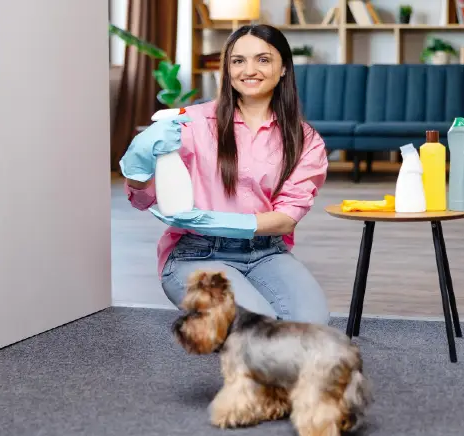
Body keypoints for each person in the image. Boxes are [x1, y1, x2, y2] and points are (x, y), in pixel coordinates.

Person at [119, 24, 330, 325]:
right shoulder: (192, 124)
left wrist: (226, 222)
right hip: (197, 253)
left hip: (267, 252)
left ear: (283, 68)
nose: (249, 70)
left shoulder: (304, 140)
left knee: (311, 328)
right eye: (238, 60)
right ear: (227, 69)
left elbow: (286, 218)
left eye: (263, 59)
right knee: (255, 327)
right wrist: (137, 166)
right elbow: (143, 199)